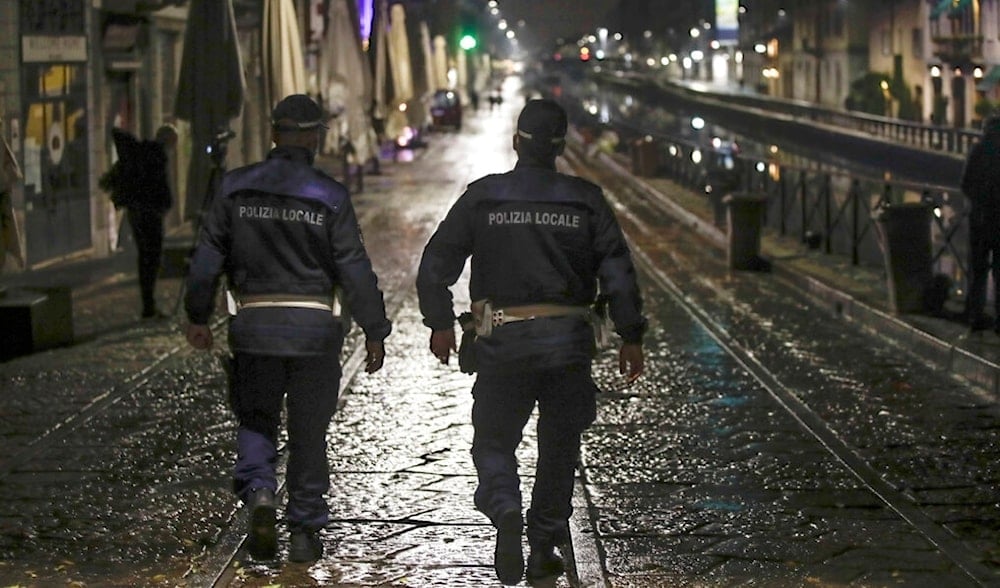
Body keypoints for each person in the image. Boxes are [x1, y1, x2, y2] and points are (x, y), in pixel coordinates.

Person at [416, 99, 646, 586]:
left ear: (516, 141)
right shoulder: (586, 199)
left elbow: (435, 264)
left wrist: (440, 322)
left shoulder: (484, 197)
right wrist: (631, 334)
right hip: (567, 348)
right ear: (562, 147)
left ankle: (504, 509)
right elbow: (619, 273)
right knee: (560, 447)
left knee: (494, 440)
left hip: (502, 346)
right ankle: (543, 545)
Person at [183, 94, 391, 563]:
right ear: (316, 138)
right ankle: (304, 530)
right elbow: (355, 268)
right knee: (308, 432)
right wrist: (375, 329)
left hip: (254, 327)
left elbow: (205, 261)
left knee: (257, 418)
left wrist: (197, 316)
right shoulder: (330, 196)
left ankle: (259, 490)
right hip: (316, 332)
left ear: (273, 133)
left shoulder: (234, 188)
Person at [105, 124, 177, 318]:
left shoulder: (139, 153)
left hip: (135, 213)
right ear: (169, 141)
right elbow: (161, 187)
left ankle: (148, 303)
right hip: (150, 215)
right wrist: (166, 205)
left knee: (144, 257)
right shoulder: (156, 157)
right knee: (151, 259)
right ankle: (149, 305)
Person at [960, 115, 1000, 333]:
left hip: (979, 219)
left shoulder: (977, 151)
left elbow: (965, 183)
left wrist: (977, 202)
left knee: (978, 269)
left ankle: (975, 315)